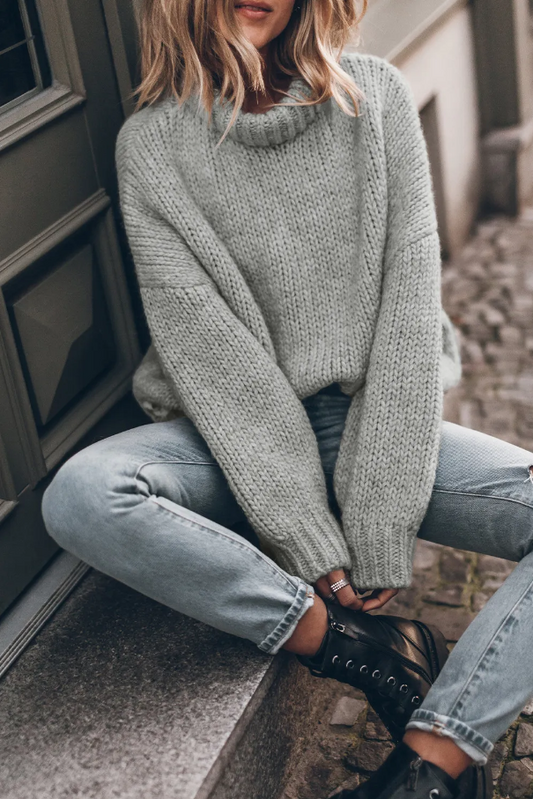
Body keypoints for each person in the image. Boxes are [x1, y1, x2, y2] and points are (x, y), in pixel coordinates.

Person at [40, 1, 533, 797]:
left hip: (369, 420)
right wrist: (303, 528)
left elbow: (406, 316)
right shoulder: (155, 146)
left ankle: (430, 767)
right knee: (82, 494)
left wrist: (377, 509)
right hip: (226, 437)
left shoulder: (374, 100)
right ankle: (366, 647)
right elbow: (213, 356)